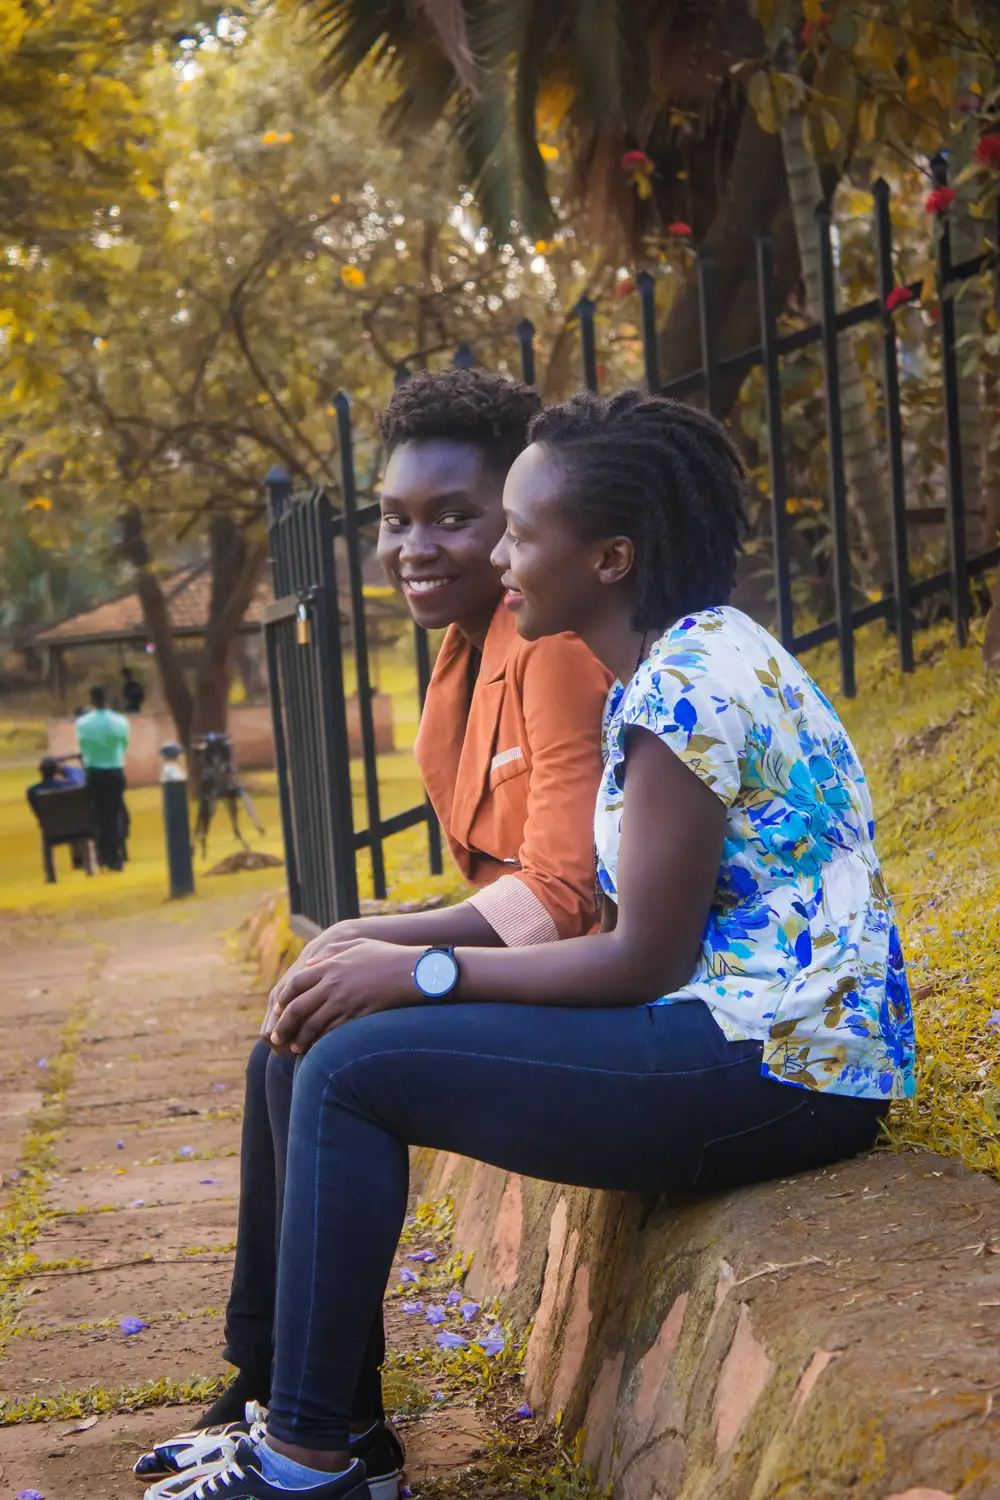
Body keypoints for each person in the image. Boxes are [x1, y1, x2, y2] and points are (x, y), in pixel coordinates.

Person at [153, 390, 915, 1500]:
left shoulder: (684, 689)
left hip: (781, 1069)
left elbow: (636, 959)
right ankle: (321, 1431)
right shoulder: (693, 658)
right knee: (337, 1045)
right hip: (760, 1045)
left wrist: (417, 969)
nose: (497, 559)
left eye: (515, 532)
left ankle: (311, 1458)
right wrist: (399, 966)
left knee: (355, 1069)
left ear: (609, 557)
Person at [136, 369, 612, 1493]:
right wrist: (368, 942)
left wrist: (387, 949)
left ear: (519, 523)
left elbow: (562, 894)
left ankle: (323, 1440)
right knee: (285, 1042)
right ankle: (291, 1393)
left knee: (334, 1048)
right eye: (396, 520)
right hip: (524, 964)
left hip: (585, 979)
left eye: (456, 517)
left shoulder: (548, 646)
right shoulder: (456, 664)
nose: (416, 546)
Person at [76, 686, 130, 870]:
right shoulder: (120, 721)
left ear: (91, 700)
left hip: (94, 772)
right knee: (113, 813)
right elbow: (124, 745)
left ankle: (102, 854)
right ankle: (115, 856)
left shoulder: (82, 723)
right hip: (115, 770)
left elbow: (83, 745)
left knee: (98, 814)